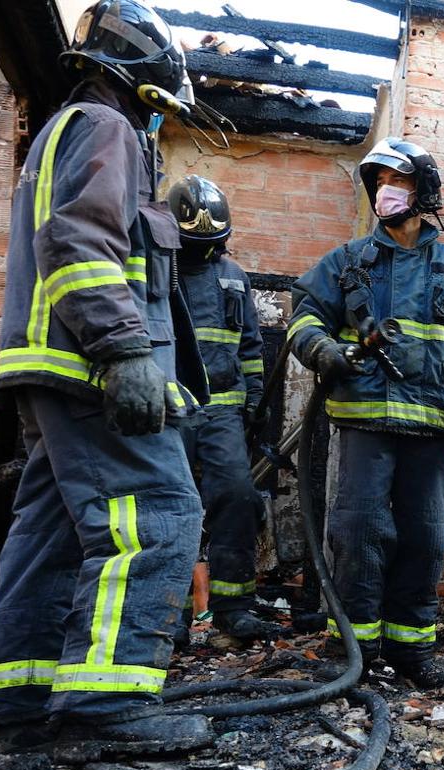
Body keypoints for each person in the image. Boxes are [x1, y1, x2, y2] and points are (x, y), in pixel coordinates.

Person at [0, 0, 212, 757]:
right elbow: (79, 239)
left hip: (49, 368)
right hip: (88, 366)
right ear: (144, 79)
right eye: (162, 109)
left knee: (48, 535)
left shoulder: (62, 129)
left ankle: (15, 717)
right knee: (160, 515)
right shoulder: (108, 129)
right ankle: (105, 706)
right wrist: (122, 350)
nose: (161, 123)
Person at [288, 138, 444, 688]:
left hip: (432, 424)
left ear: (424, 191)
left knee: (425, 538)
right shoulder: (344, 265)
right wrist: (323, 351)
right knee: (358, 532)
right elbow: (304, 318)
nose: (387, 193)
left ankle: (411, 651)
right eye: (380, 182)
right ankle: (356, 653)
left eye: (399, 181)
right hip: (363, 419)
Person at [167, 174, 274, 641]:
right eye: (195, 241)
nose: (204, 250)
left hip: (223, 414)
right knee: (168, 506)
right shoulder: (160, 268)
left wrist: (255, 399)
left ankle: (234, 607)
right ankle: (168, 616)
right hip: (169, 412)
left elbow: (250, 344)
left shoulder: (234, 277)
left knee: (237, 498)